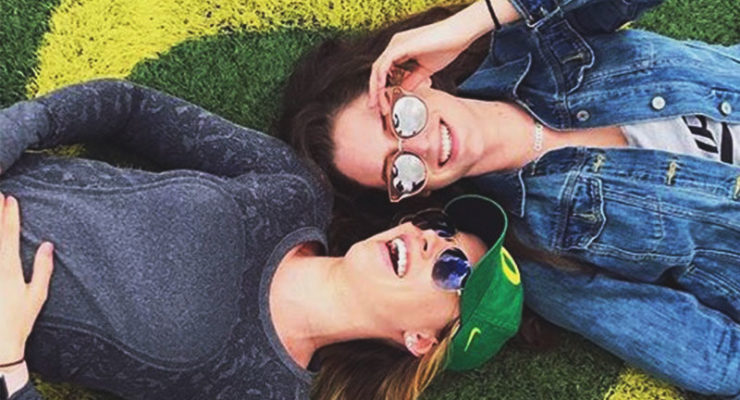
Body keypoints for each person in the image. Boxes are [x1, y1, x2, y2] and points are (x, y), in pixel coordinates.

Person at [278, 0, 740, 397]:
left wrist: (470, 23)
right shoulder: (541, 251)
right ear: (413, 194)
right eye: (397, 171)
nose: (418, 147)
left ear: (407, 77)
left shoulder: (528, 44)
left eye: (399, 118)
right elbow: (714, 358)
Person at [0, 79, 524, 400]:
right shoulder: (294, 190)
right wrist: (14, 131)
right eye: (439, 227)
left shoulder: (262, 390)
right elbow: (130, 108)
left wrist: (9, 364)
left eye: (453, 269)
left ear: (421, 340)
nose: (430, 241)